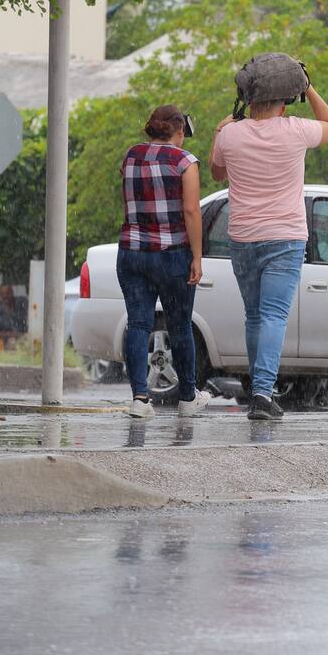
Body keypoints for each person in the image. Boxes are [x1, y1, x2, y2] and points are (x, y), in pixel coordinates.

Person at [211, 82, 328, 421]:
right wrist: (310, 89)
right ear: (283, 104)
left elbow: (216, 172)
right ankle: (262, 394)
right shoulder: (295, 128)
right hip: (285, 237)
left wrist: (220, 131)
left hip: (242, 237)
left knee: (254, 316)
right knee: (272, 317)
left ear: (248, 101)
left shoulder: (230, 134)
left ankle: (258, 391)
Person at [117, 105, 212, 419]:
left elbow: (131, 196)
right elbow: (191, 212)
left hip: (131, 252)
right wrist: (197, 257)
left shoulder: (131, 155)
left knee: (139, 324)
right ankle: (187, 396)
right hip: (172, 254)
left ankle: (140, 399)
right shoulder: (184, 161)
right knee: (180, 326)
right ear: (180, 130)